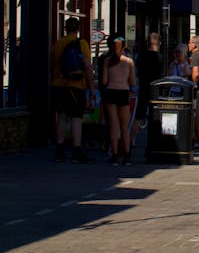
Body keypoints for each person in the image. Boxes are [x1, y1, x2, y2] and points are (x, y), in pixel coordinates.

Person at [50, 17, 95, 163]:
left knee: (61, 116)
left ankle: (59, 150)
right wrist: (92, 90)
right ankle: (76, 151)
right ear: (77, 29)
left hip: (58, 85)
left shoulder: (57, 45)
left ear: (65, 28)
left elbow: (52, 65)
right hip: (76, 86)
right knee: (76, 118)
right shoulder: (81, 44)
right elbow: (88, 67)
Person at [102, 37, 136, 165]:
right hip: (123, 92)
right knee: (124, 126)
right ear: (124, 46)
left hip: (111, 92)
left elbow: (104, 81)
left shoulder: (107, 61)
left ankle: (115, 154)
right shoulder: (129, 61)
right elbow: (133, 82)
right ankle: (127, 155)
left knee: (113, 126)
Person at [129, 32, 162, 142]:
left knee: (138, 117)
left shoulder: (141, 55)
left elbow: (137, 71)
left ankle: (131, 140)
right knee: (156, 117)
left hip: (143, 88)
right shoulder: (160, 57)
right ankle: (154, 141)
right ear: (159, 43)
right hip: (155, 90)